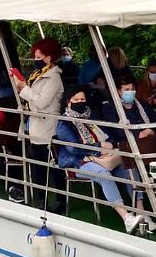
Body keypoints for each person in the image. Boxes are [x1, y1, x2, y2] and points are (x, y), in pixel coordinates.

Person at [55, 88, 145, 233]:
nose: (80, 102)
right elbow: (74, 149)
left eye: (82, 100)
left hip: (103, 157)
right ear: (68, 102)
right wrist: (99, 148)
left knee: (130, 167)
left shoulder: (92, 116)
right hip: (79, 161)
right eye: (76, 100)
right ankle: (126, 218)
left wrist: (107, 147)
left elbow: (109, 137)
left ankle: (141, 212)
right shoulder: (64, 123)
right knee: (104, 175)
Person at [10, 37, 65, 211]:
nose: (35, 60)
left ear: (48, 58)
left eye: (38, 56)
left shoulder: (54, 77)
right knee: (37, 166)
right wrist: (22, 88)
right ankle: (41, 199)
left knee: (54, 166)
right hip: (34, 125)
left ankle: (60, 201)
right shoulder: (37, 75)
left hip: (48, 127)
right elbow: (32, 99)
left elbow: (42, 102)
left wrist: (24, 88)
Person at [101, 75, 156, 141]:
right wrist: (139, 134)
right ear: (119, 92)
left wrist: (150, 131)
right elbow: (116, 131)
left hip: (150, 140)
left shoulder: (143, 104)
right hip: (127, 145)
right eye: (127, 90)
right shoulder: (110, 109)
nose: (130, 92)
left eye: (132, 89)